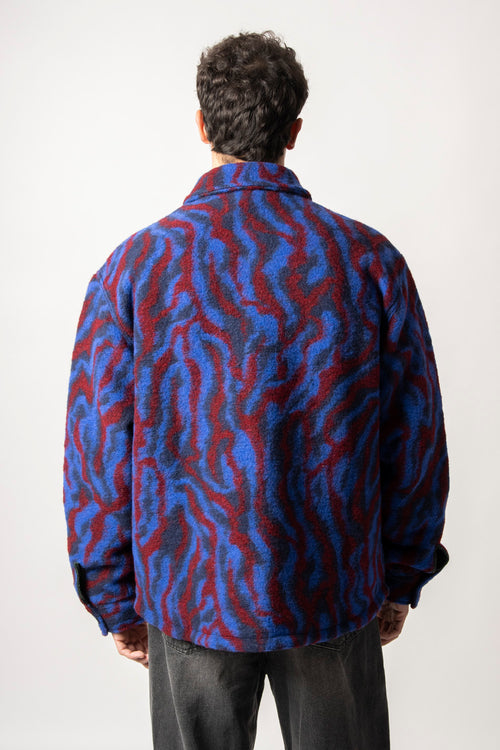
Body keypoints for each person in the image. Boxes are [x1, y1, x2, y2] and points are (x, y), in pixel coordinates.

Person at [62, 29, 450, 750]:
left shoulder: (136, 268)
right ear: (293, 131)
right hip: (333, 588)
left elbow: (96, 447)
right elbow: (416, 436)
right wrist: (402, 574)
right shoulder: (367, 261)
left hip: (191, 587)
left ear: (202, 125)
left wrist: (113, 593)